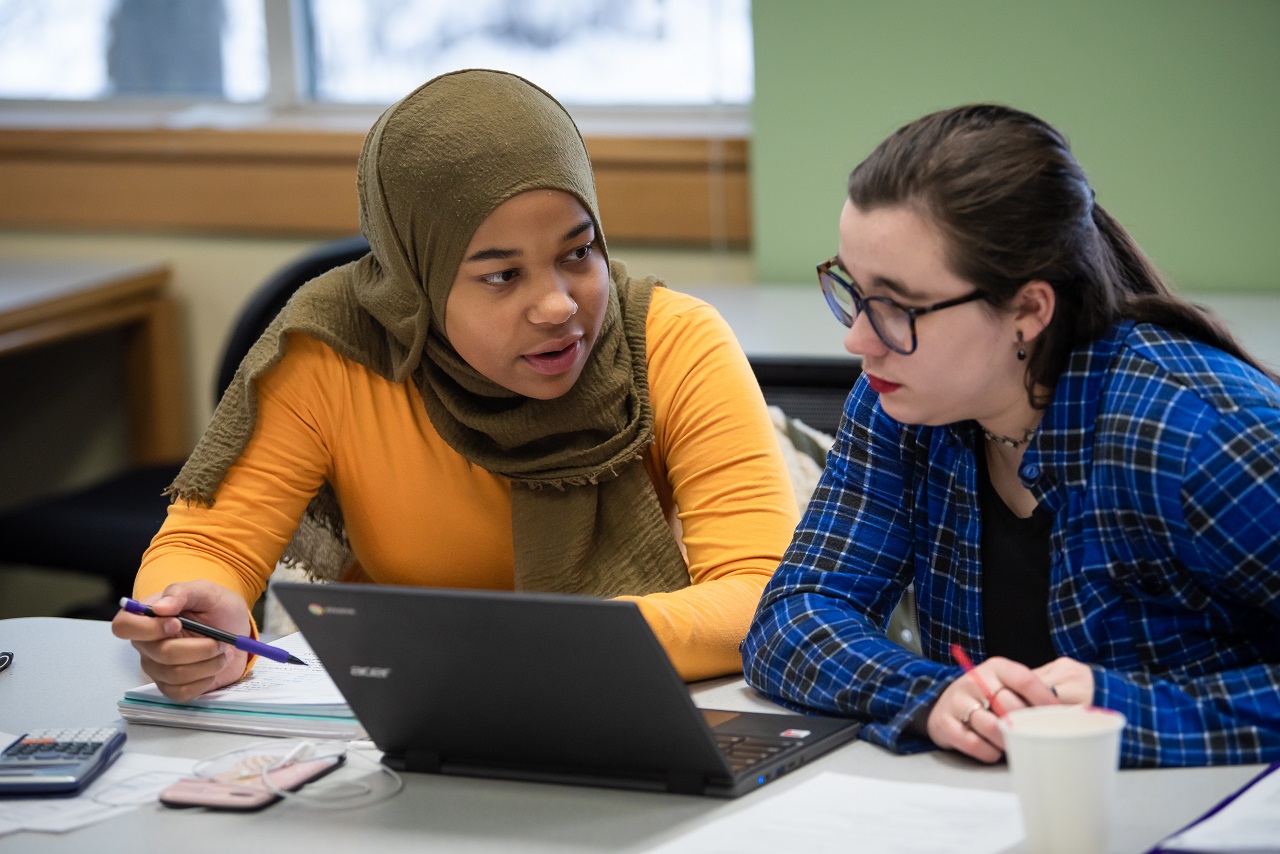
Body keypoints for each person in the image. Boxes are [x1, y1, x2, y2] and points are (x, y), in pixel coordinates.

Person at [113, 69, 799, 701]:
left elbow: (761, 597)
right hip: (425, 718)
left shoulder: (674, 343)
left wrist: (532, 644)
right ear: (420, 283)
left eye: (578, 252)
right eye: (502, 275)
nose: (558, 305)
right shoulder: (334, 356)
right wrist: (189, 621)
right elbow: (210, 546)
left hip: (645, 704)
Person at [742, 104, 1280, 768]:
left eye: (897, 308)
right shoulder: (901, 407)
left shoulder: (1200, 432)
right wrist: (934, 696)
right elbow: (791, 620)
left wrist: (1121, 712)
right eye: (854, 292)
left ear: (1028, 310)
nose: (857, 339)